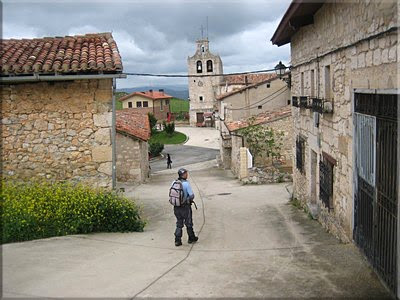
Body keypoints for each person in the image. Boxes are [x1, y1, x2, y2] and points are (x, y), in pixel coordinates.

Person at [173, 168, 198, 246]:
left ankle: (177, 240)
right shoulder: (186, 184)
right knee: (188, 223)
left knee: (179, 223)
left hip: (176, 207)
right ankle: (191, 238)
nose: (187, 175)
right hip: (185, 207)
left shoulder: (174, 182)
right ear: (183, 175)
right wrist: (187, 200)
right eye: (186, 174)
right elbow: (191, 195)